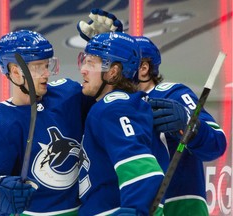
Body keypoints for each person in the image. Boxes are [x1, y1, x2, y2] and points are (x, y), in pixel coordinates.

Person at [0, 29, 96, 216]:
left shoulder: (69, 96)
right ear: (15, 72)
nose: (46, 74)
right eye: (37, 67)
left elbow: (109, 100)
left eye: (47, 65)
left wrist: (103, 51)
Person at [134, 36, 227, 215]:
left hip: (180, 207)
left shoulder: (171, 94)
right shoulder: (113, 106)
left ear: (144, 69)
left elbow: (217, 143)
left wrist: (190, 126)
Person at [77, 32, 166, 216]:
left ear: (113, 72)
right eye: (84, 61)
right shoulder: (113, 106)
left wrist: (135, 211)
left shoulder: (114, 107)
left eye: (91, 63)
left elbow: (144, 172)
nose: (83, 69)